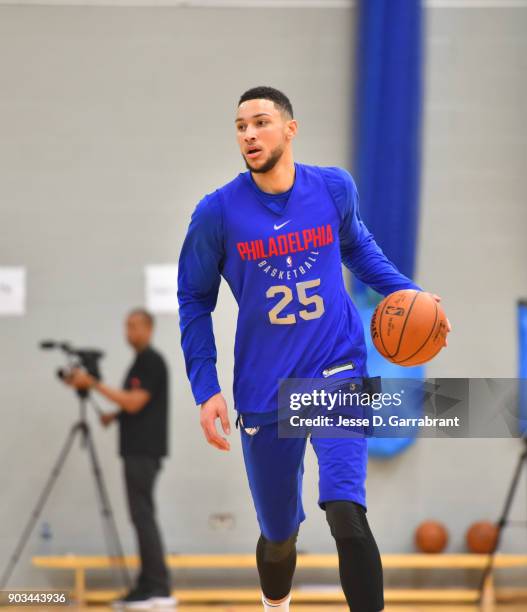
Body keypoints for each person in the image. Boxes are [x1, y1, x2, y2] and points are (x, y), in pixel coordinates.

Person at [177, 86, 450, 612]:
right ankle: (275, 604)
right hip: (265, 389)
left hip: (337, 369)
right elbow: (193, 300)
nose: (249, 134)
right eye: (240, 127)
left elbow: (358, 248)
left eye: (260, 122)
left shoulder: (331, 188)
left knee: (346, 510)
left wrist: (406, 292)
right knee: (279, 536)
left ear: (289, 128)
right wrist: (205, 387)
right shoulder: (217, 213)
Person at [65, 308, 175, 610]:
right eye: (127, 326)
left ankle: (158, 587)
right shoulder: (139, 363)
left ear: (149, 329)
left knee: (142, 516)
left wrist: (93, 384)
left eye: (135, 326)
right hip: (136, 449)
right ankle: (147, 583)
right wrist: (113, 415)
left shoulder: (151, 361)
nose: (130, 332)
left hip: (143, 451)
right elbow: (130, 405)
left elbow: (135, 402)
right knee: (140, 516)